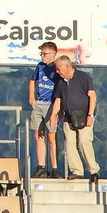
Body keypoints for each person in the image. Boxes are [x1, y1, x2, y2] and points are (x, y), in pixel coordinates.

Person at [49, 56, 99, 181]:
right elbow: (58, 100)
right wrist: (53, 115)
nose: (57, 72)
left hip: (85, 115)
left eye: (59, 69)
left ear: (67, 66)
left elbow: (92, 96)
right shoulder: (61, 82)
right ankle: (77, 171)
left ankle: (93, 170)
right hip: (69, 117)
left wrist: (90, 115)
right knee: (69, 143)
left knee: (84, 141)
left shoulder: (83, 77)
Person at [28, 41, 60, 179]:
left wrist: (59, 109)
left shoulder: (57, 68)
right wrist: (31, 97)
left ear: (52, 54)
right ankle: (41, 167)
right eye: (41, 53)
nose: (42, 56)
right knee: (39, 135)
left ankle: (55, 168)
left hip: (51, 105)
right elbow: (32, 80)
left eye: (45, 54)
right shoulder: (40, 67)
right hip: (39, 104)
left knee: (51, 137)